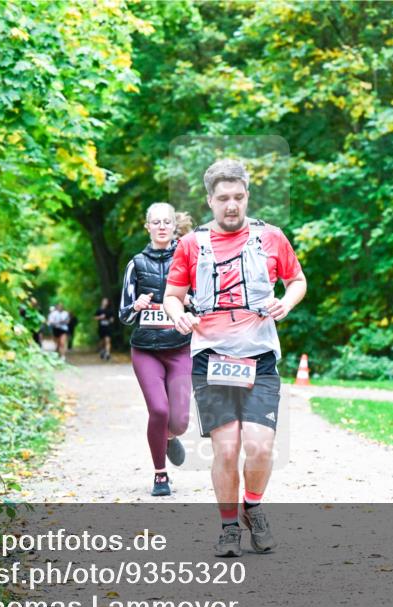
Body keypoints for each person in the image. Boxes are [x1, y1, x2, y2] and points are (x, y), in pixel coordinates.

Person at [163, 159, 306, 557]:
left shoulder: (271, 238)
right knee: (226, 449)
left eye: (238, 197)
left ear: (247, 197)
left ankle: (253, 507)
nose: (232, 205)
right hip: (211, 357)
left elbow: (297, 280)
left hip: (259, 356)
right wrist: (180, 316)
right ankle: (229, 528)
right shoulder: (192, 244)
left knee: (260, 448)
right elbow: (172, 296)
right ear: (210, 200)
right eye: (223, 198)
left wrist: (286, 304)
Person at [119, 202, 193, 496]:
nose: (162, 226)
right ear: (147, 226)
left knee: (180, 422)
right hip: (146, 349)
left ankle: (171, 437)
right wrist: (136, 306)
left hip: (179, 348)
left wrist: (190, 303)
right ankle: (160, 475)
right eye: (156, 222)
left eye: (167, 222)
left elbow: (203, 302)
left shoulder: (189, 259)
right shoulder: (135, 264)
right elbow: (123, 315)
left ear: (175, 226)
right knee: (159, 410)